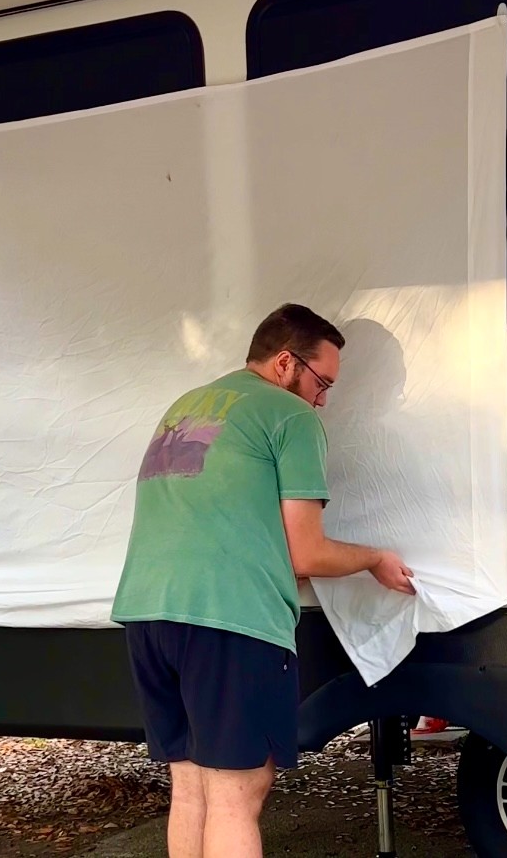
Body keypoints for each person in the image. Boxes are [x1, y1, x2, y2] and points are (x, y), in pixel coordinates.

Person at [111, 302, 416, 858]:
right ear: (284, 363)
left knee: (191, 789)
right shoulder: (289, 416)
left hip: (146, 612)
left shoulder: (188, 406)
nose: (323, 399)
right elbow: (307, 553)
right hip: (229, 620)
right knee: (236, 795)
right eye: (322, 382)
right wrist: (375, 557)